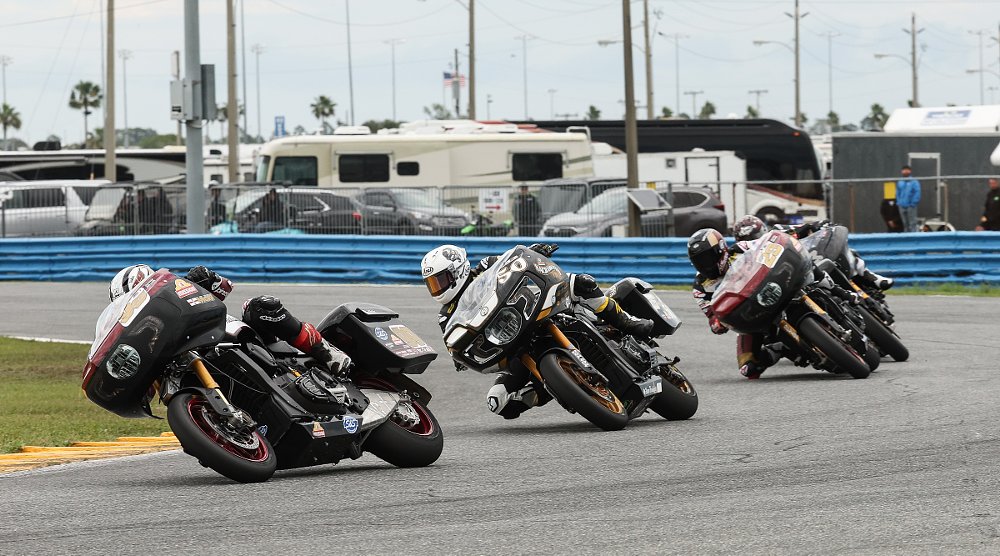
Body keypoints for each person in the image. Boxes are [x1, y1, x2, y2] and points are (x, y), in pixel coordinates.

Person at [421, 243, 654, 419]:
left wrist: (534, 251)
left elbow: (515, 263)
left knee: (582, 282)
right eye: (431, 283)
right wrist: (459, 357)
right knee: (499, 402)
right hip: (511, 346)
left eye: (440, 279)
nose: (437, 287)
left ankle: (627, 322)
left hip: (533, 309)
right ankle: (556, 388)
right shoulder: (446, 315)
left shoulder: (484, 266)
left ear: (458, 270)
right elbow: (453, 344)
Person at [107, 264, 352, 390]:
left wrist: (206, 279)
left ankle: (326, 352)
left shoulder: (177, 290)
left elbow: (225, 287)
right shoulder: (139, 341)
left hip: (235, 337)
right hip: (195, 371)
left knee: (260, 306)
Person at [688, 228, 786, 380]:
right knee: (748, 369)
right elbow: (711, 316)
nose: (704, 265)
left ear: (721, 249)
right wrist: (718, 323)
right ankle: (779, 349)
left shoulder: (742, 248)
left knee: (810, 271)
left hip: (774, 288)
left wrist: (791, 235)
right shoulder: (700, 287)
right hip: (752, 317)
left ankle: (830, 289)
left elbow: (772, 241)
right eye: (699, 261)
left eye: (707, 258)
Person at [733, 214, 893, 291]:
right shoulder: (745, 258)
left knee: (846, 252)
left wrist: (817, 225)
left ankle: (872, 278)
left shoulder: (777, 231)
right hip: (784, 280)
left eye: (757, 235)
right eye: (750, 238)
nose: (756, 240)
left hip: (805, 262)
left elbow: (802, 229)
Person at [896, 165, 921, 233]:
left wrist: (913, 204)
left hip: (911, 206)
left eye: (907, 170)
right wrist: (899, 203)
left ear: (910, 171)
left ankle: (913, 239)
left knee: (912, 223)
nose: (905, 171)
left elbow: (917, 192)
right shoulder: (900, 182)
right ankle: (906, 238)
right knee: (905, 224)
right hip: (902, 206)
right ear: (901, 171)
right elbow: (897, 193)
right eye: (904, 170)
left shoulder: (914, 182)